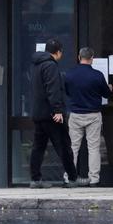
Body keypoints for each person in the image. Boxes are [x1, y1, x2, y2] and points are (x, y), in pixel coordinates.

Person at [29, 38, 81, 189]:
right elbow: (53, 89)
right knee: (63, 146)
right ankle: (72, 178)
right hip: (51, 114)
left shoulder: (36, 65)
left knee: (38, 148)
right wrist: (57, 110)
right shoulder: (51, 66)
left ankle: (35, 179)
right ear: (58, 52)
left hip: (38, 113)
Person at [65, 47, 112, 187]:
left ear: (79, 57)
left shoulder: (70, 74)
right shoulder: (97, 75)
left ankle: (69, 178)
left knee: (73, 147)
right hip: (93, 114)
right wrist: (109, 88)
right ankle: (94, 179)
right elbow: (106, 94)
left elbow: (67, 92)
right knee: (93, 148)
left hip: (75, 114)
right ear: (92, 58)